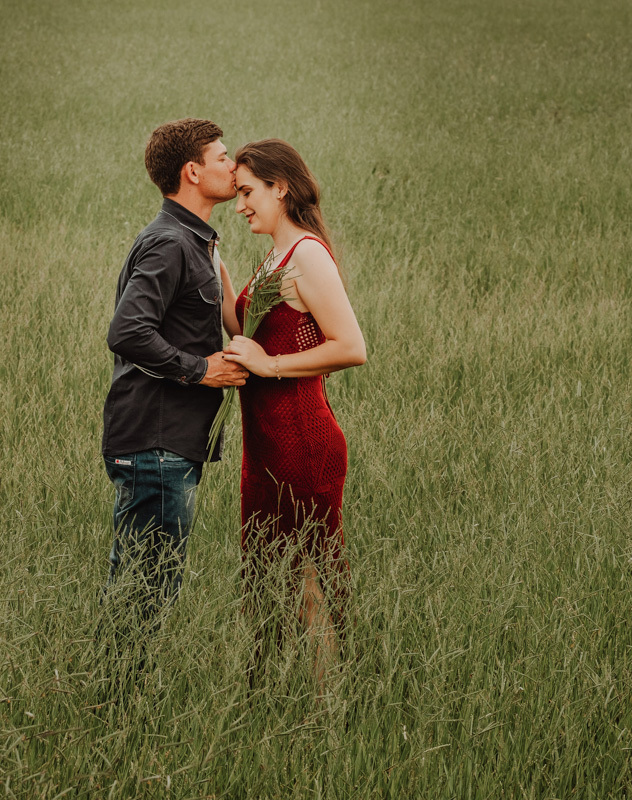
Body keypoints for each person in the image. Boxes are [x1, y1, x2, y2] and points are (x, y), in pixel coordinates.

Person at [222, 139, 366, 686]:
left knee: (309, 582)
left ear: (280, 187)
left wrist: (270, 364)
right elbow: (249, 340)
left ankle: (333, 707)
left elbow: (352, 346)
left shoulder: (306, 253)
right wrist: (217, 276)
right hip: (263, 448)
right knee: (266, 583)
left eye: (248, 192)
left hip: (302, 443)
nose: (240, 206)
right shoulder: (275, 258)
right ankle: (276, 700)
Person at [101, 118, 248, 630]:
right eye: (223, 158)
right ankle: (117, 703)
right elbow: (127, 332)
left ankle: (120, 698)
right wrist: (199, 370)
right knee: (144, 591)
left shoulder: (194, 242)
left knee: (150, 587)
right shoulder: (170, 243)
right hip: (155, 444)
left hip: (169, 444)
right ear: (192, 171)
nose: (234, 166)